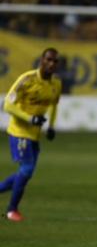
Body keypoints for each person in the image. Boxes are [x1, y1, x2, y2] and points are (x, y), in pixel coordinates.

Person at [1, 48, 61, 222]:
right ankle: (12, 210)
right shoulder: (26, 80)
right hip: (19, 132)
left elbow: (54, 105)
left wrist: (51, 126)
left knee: (25, 173)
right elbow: (7, 105)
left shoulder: (56, 84)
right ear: (41, 60)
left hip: (34, 135)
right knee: (26, 170)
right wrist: (30, 118)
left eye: (55, 61)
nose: (51, 64)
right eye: (48, 60)